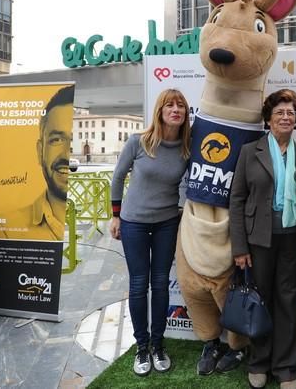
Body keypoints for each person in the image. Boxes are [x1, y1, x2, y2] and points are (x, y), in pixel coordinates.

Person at [229, 89, 296, 389]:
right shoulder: (249, 152)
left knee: (289, 305)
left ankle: (286, 368)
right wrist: (239, 247)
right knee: (260, 303)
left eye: (291, 113)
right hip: (258, 242)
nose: (286, 117)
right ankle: (258, 363)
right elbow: (237, 200)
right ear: (268, 119)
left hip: (293, 239)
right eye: (280, 112)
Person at [109, 89, 191, 377]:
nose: (176, 109)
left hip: (167, 222)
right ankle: (141, 346)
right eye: (170, 104)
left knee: (160, 283)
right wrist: (115, 216)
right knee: (138, 283)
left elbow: (187, 186)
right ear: (160, 110)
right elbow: (118, 176)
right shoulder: (138, 142)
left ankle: (158, 345)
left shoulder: (186, 147)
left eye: (181, 105)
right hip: (133, 222)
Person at [0, 85, 75, 241]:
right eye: (57, 140)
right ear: (40, 151)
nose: (66, 153)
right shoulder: (4, 228)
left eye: (72, 140)